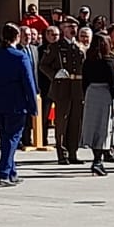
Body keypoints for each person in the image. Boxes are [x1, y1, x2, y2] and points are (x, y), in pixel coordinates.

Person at [0, 23, 37, 187]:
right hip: (16, 102)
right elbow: (29, 82)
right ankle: (4, 172)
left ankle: (12, 171)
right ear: (17, 37)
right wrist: (33, 105)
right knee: (13, 138)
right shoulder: (20, 56)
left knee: (5, 137)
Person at [80, 33, 114, 177]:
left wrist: (85, 95)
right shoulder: (108, 61)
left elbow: (84, 81)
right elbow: (113, 84)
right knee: (104, 127)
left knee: (93, 127)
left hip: (91, 93)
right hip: (104, 93)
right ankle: (97, 161)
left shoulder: (88, 60)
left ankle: (97, 160)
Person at [47, 18, 85, 164]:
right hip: (63, 87)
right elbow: (44, 65)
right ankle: (62, 153)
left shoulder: (80, 47)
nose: (73, 29)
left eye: (75, 26)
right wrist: (55, 74)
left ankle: (73, 153)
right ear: (63, 29)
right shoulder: (57, 47)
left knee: (75, 121)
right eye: (70, 26)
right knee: (62, 121)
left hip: (77, 87)